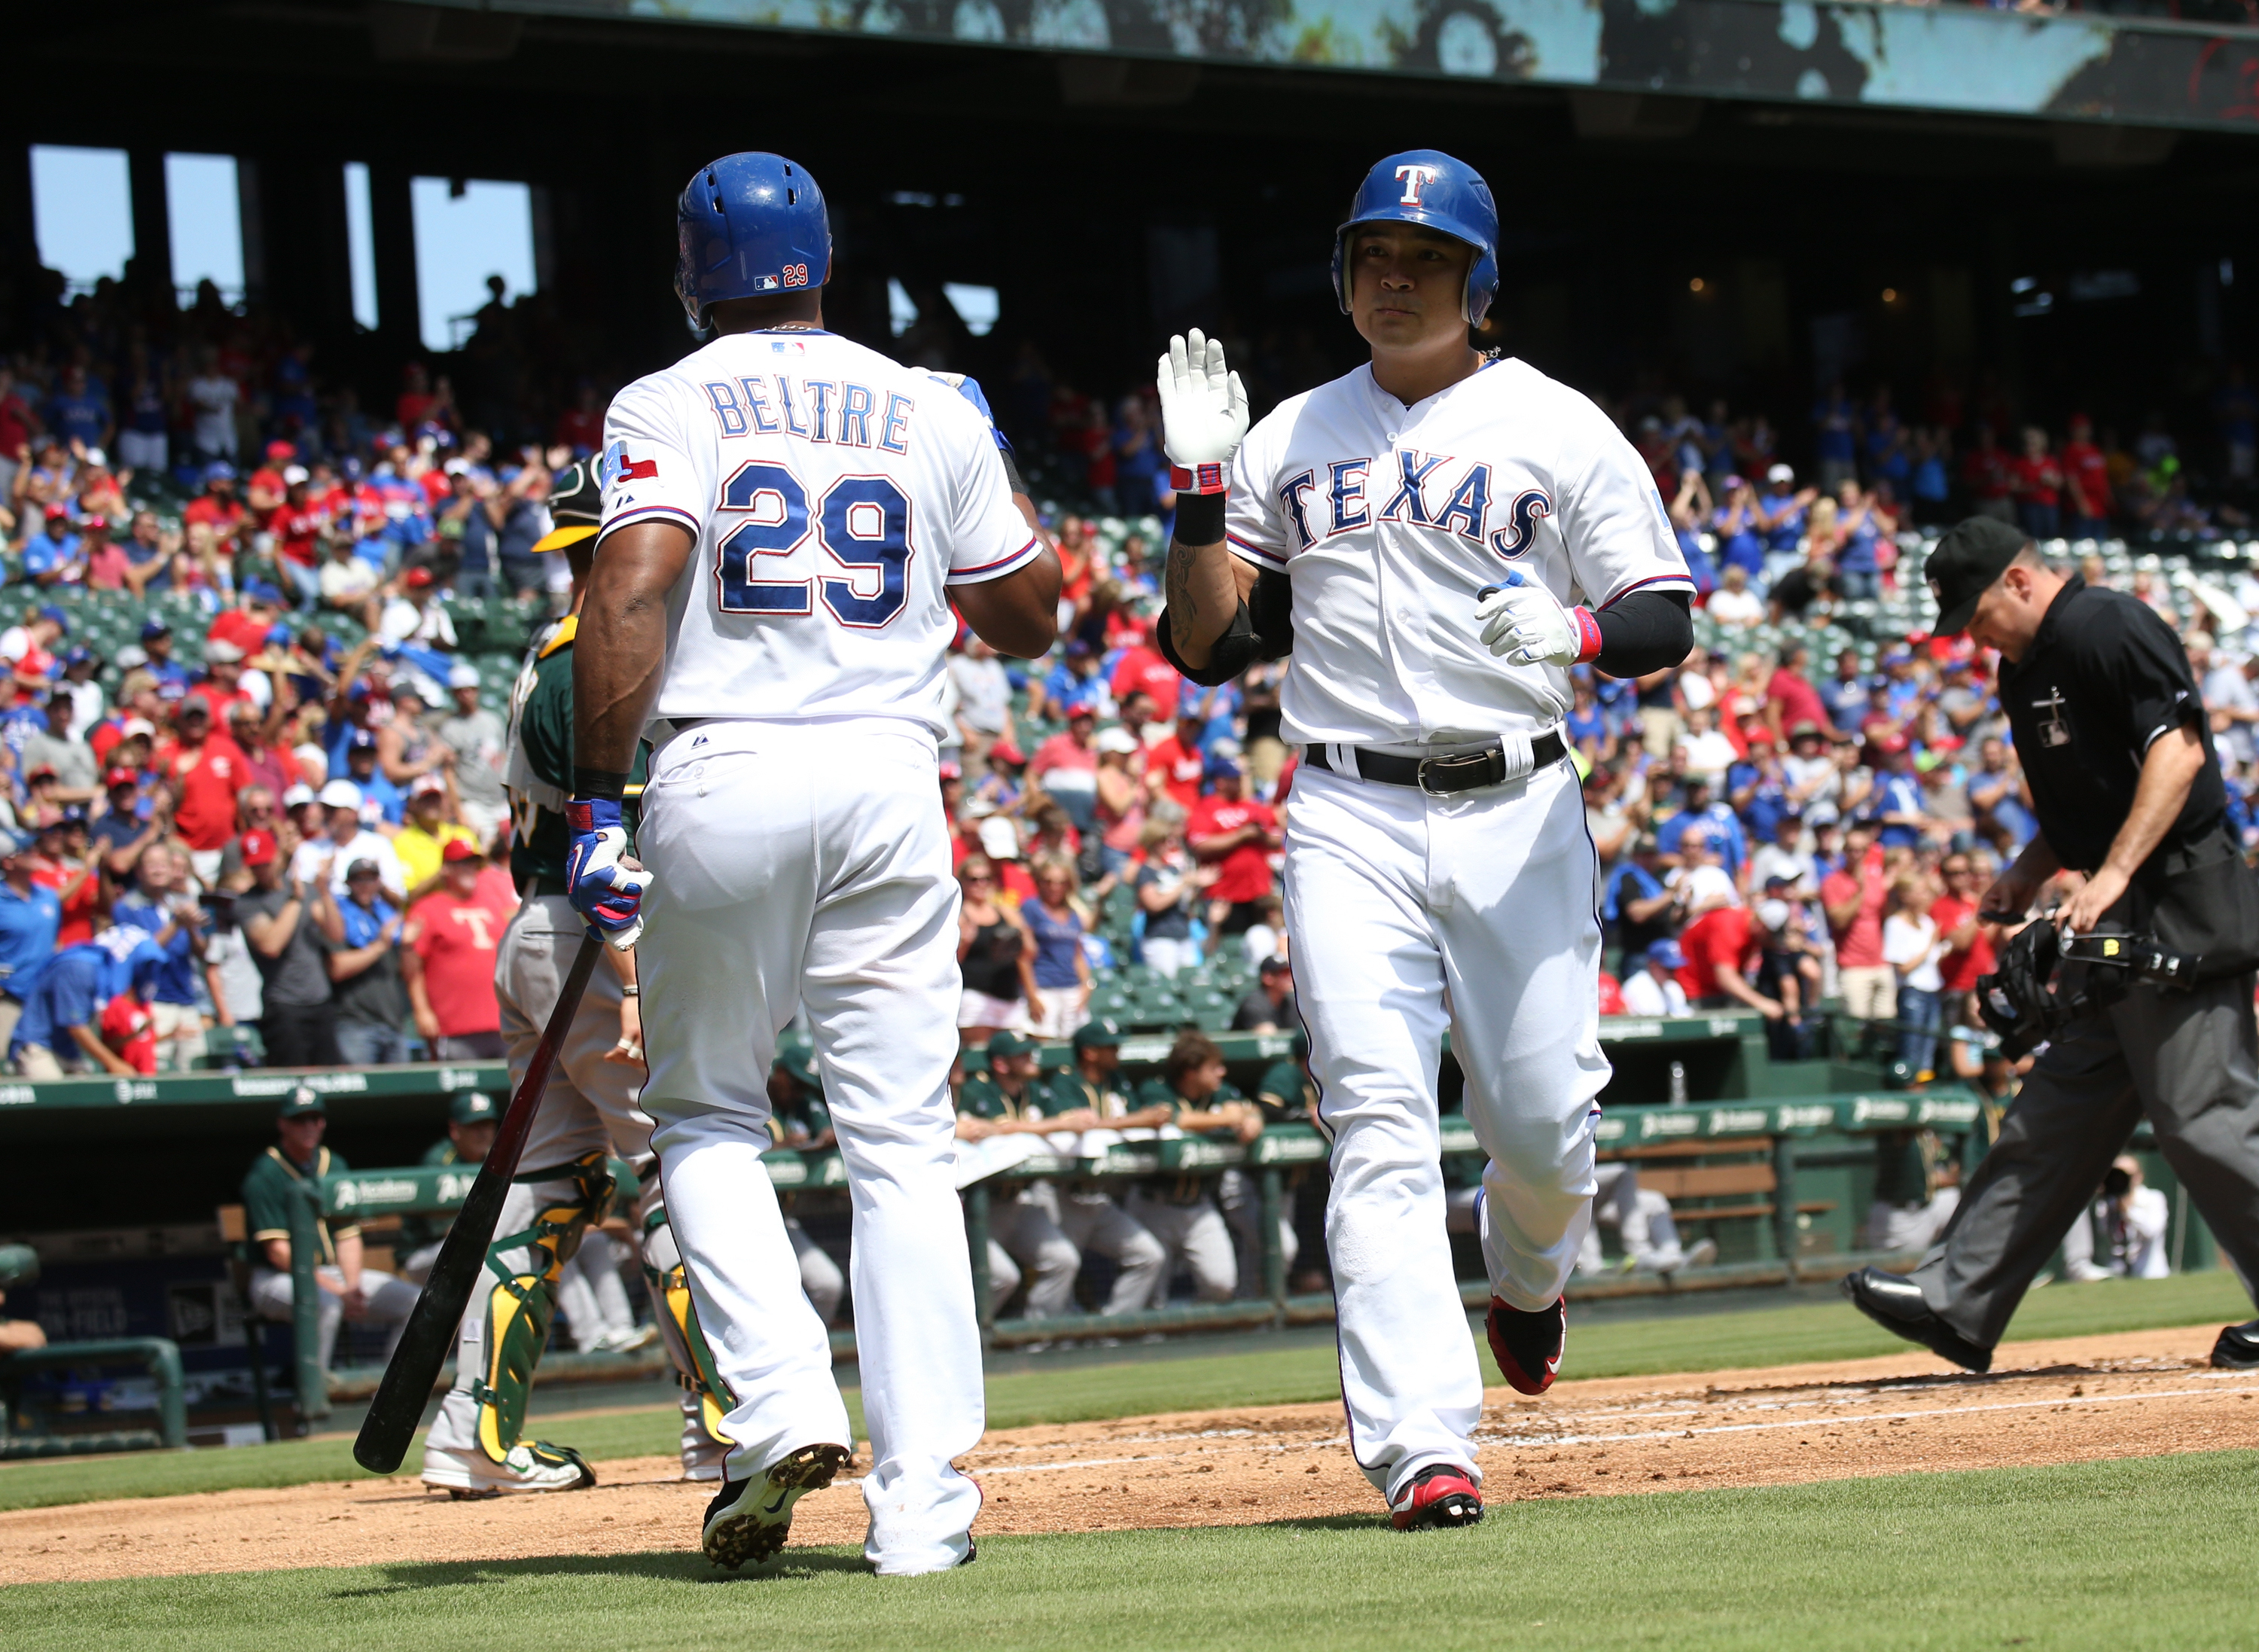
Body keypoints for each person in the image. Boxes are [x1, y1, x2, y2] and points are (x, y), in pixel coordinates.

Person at [1155, 151, 1697, 1531]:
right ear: (1342, 278)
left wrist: (1575, 630)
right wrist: (1200, 486)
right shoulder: (1286, 435)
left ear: (1479, 283)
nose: (1395, 278)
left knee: (1540, 1123)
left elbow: (1661, 616)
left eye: (1425, 257)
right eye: (1372, 256)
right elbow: (1210, 646)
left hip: (1517, 805)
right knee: (1379, 1126)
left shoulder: (1559, 424)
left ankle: (1528, 1278)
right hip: (1346, 810)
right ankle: (1421, 1442)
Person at [564, 152, 1059, 1575]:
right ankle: (924, 1510)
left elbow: (631, 584)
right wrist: (984, 445)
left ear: (688, 275)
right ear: (826, 262)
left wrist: (599, 804)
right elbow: (1030, 615)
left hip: (727, 766)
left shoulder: (665, 399)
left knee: (710, 1114)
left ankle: (779, 1406)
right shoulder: (922, 399)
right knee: (903, 1142)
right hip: (892, 774)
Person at [1844, 517, 2259, 1376]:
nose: (1972, 635)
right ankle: (1958, 1298)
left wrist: (2107, 876)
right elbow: (2077, 809)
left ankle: (1961, 1291)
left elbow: (2178, 756)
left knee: (2203, 1113)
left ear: (2021, 581)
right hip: (2114, 910)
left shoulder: (2109, 625)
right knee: (2061, 1105)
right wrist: (2029, 872)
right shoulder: (2020, 670)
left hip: (2177, 896)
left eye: (1978, 612)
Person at [420, 456, 730, 1497]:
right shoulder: (602, 663)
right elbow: (626, 845)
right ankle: (726, 1427)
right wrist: (641, 979)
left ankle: (472, 1435)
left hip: (539, 934)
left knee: (547, 1186)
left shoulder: (550, 654)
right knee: (678, 1168)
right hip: (602, 941)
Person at [240, 1088, 417, 1376]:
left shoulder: (333, 1164)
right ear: (283, 1124)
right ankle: (311, 1402)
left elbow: (347, 1235)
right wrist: (339, 1291)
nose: (309, 1126)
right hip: (276, 1279)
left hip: (332, 1274)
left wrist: (351, 1285)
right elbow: (279, 1254)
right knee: (327, 1306)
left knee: (417, 1303)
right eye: (299, 1119)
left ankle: (391, 1394)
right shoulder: (265, 1173)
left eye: (315, 1118)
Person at [1041, 1018, 1171, 1315]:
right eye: (1110, 1047)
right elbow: (1071, 1128)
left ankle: (1113, 1328)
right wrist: (1136, 1120)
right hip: (1063, 1196)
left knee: (1148, 1256)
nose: (1117, 1052)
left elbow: (1142, 1115)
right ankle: (1040, 1340)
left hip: (1099, 1199)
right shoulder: (1065, 1081)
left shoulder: (1117, 1080)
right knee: (1062, 1268)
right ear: (1090, 1052)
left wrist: (1152, 1114)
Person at [955, 1030, 1084, 1320]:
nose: (1030, 1058)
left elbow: (1068, 1122)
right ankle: (974, 1343)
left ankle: (1037, 1336)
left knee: (1063, 1261)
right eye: (1022, 1055)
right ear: (1001, 1064)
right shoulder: (978, 1091)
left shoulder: (1035, 1089)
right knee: (1002, 1277)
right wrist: (1051, 1125)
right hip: (979, 1207)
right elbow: (980, 1130)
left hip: (1019, 1201)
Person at [234, 828, 340, 1065]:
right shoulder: (247, 903)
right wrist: (295, 901)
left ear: (276, 857)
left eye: (265, 863)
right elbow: (271, 945)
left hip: (320, 1000)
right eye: (255, 866)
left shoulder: (306, 888)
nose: (261, 871)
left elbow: (335, 935)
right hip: (284, 1004)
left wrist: (323, 892)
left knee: (332, 1080)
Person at [403, 840, 514, 1059]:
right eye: (461, 864)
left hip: (501, 1022)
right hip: (453, 1025)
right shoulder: (427, 908)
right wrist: (422, 1010)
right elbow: (412, 968)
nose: (469, 870)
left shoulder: (494, 903)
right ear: (447, 869)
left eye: (472, 864)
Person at [395, 1090, 500, 1283]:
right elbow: (449, 1230)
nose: (483, 1133)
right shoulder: (438, 1161)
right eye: (474, 1126)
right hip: (423, 1255)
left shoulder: (497, 1160)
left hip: (474, 1246)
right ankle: (475, 1315)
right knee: (474, 1247)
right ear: (455, 1129)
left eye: (487, 1125)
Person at [2059, 1155, 2170, 1282]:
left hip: (2150, 1274)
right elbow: (2099, 1234)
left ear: (2139, 1176)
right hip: (2116, 1276)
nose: (2122, 1181)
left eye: (2127, 1176)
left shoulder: (2153, 1199)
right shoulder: (2106, 1204)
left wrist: (2128, 1210)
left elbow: (2151, 1231)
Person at [1019, 855, 1091, 1038]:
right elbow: (1024, 956)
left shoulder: (1073, 914)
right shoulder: (1031, 908)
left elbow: (1078, 954)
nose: (1054, 887)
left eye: (1061, 882)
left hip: (1072, 989)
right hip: (1044, 987)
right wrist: (1032, 996)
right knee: (1043, 1045)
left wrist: (1086, 986)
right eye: (1048, 881)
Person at [1620, 938, 1690, 1018]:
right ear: (1653, 964)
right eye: (1669, 969)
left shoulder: (1673, 987)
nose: (1672, 973)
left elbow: (1685, 1015)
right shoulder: (1637, 987)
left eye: (1674, 968)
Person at [1233, 954, 1297, 1032]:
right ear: (1268, 978)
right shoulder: (1254, 1004)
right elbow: (1268, 1035)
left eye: (1291, 972)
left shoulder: (1290, 1003)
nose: (1290, 977)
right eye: (1285, 973)